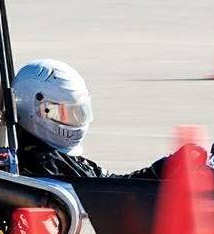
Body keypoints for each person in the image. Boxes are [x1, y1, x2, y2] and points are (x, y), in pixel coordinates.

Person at [11, 58, 164, 179]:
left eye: (80, 112)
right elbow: (112, 196)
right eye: (66, 113)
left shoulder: (58, 158)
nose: (76, 120)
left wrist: (163, 169)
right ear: (38, 111)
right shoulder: (46, 166)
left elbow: (114, 184)